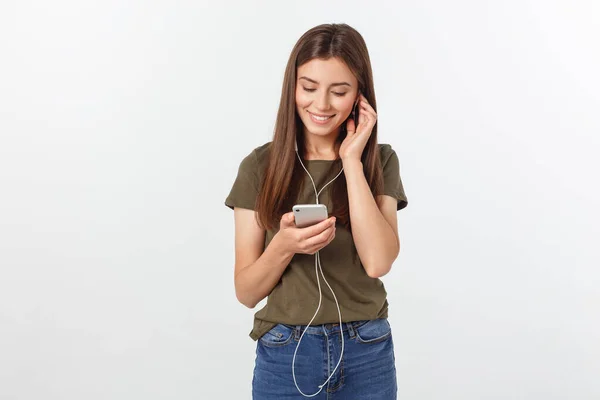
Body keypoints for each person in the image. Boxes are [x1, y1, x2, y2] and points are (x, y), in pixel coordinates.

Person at [225, 23, 408, 399]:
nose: (321, 105)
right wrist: (283, 246)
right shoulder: (259, 167)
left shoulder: (380, 162)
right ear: (291, 87)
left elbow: (377, 263)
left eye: (339, 91)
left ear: (360, 96)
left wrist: (352, 162)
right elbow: (246, 291)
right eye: (308, 88)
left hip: (366, 349)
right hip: (285, 351)